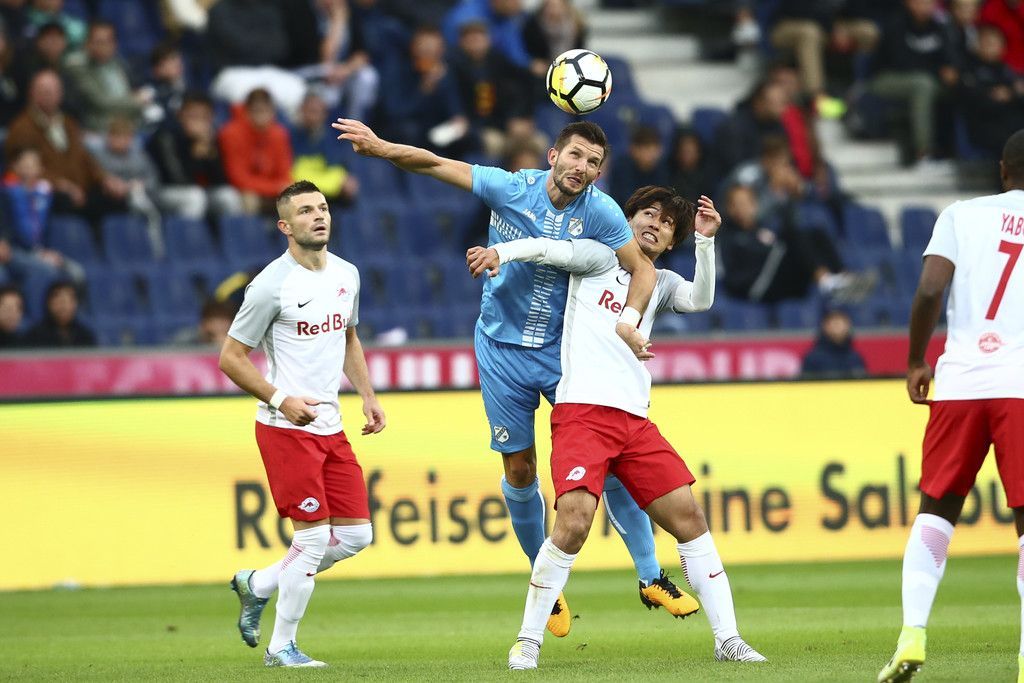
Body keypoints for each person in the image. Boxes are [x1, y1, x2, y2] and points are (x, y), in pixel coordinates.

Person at [332, 116, 692, 636]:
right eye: (575, 155)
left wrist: (630, 322)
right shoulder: (510, 187)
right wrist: (383, 146)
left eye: (593, 162)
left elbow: (645, 269)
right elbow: (435, 163)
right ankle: (546, 585)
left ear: (598, 172)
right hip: (500, 350)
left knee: (610, 458)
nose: (582, 167)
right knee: (520, 470)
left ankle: (650, 574)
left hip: (563, 351)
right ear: (553, 156)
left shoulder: (603, 212)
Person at [464, 187, 766, 669]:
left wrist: (706, 243)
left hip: (635, 419)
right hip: (583, 414)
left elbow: (701, 299)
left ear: (672, 241)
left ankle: (728, 639)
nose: (655, 225)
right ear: (627, 219)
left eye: (667, 224)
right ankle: (528, 640)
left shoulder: (661, 282)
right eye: (648, 213)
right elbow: (546, 247)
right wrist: (502, 252)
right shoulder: (599, 259)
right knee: (573, 523)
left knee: (690, 518)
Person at [877, 128, 1024, 683]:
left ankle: (912, 634)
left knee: (936, 512)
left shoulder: (961, 215)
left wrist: (917, 360)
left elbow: (929, 290)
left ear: (1003, 170)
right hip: (1020, 387)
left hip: (961, 383)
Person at [219, 180, 385, 668]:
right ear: (285, 226)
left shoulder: (347, 274)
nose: (319, 216)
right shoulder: (271, 285)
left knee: (356, 536)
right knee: (311, 539)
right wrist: (280, 399)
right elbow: (230, 358)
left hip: (330, 425)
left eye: (323, 207)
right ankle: (281, 648)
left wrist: (368, 396)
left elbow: (348, 337)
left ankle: (259, 583)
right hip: (285, 428)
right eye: (306, 210)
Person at [22, 280, 96, 347]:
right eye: (60, 301)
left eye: (68, 301)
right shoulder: (34, 336)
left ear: (76, 304)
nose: (64, 306)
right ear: (49, 303)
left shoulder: (85, 336)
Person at [800, 308, 867, 378]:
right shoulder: (813, 358)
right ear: (825, 326)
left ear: (848, 325)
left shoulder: (855, 357)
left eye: (841, 321)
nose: (837, 326)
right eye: (834, 322)